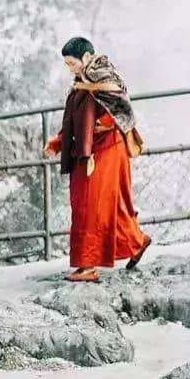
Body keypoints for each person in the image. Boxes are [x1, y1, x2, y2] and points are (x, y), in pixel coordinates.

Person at [44, 37, 151, 282]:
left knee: (91, 203)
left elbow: (121, 112)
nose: (70, 69)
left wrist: (98, 127)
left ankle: (87, 264)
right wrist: (59, 142)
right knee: (96, 202)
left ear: (87, 57)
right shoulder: (81, 82)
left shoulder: (104, 78)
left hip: (106, 150)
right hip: (86, 148)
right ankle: (136, 241)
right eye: (67, 65)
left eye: (72, 63)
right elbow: (75, 117)